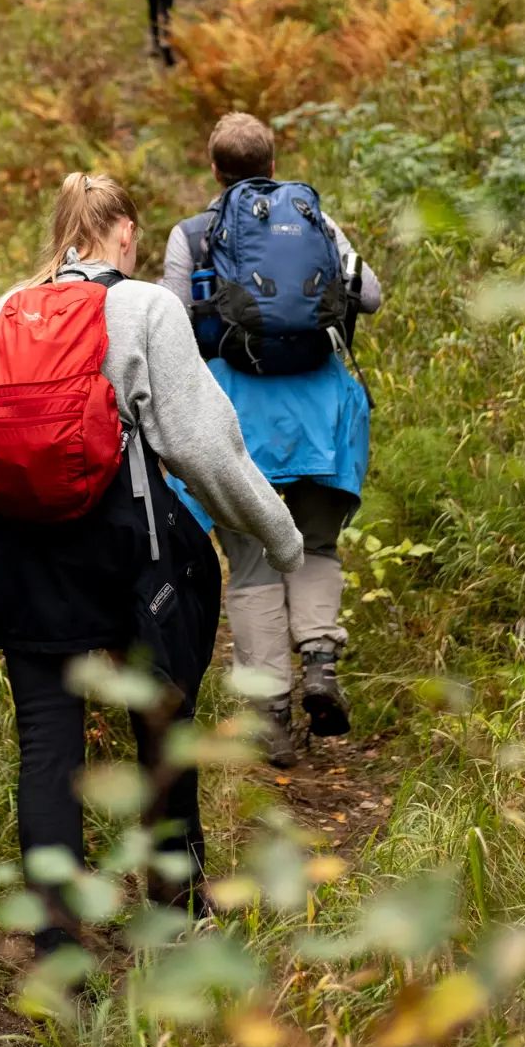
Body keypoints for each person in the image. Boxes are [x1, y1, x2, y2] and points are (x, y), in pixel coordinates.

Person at [0, 173, 310, 957]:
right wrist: (279, 537)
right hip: (121, 555)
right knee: (164, 719)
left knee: (48, 746)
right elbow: (205, 449)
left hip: (17, 555)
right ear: (126, 234)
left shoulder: (8, 307)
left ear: (61, 233)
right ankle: (174, 901)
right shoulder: (144, 307)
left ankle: (56, 944)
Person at [159, 113, 381, 768]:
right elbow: (370, 296)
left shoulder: (194, 234)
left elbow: (171, 329)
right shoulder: (314, 219)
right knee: (315, 544)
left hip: (238, 425)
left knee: (253, 564)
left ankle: (273, 718)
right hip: (321, 416)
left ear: (213, 166)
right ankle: (319, 659)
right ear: (274, 162)